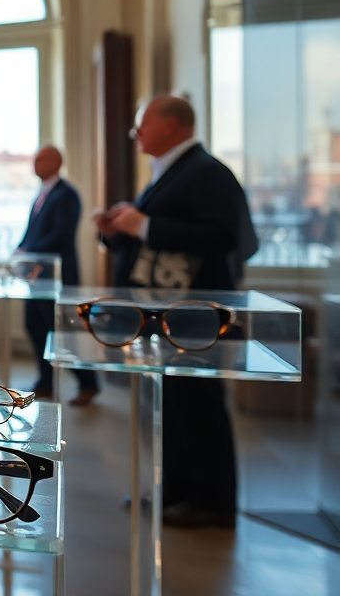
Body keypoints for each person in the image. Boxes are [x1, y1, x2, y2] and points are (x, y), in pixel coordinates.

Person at [92, 96, 256, 529]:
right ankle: (178, 489)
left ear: (170, 124)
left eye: (140, 124)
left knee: (199, 406)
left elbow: (223, 235)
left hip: (195, 315)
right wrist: (118, 230)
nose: (135, 133)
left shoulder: (206, 171)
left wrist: (141, 224)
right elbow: (151, 235)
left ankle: (212, 501)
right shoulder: (172, 172)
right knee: (174, 407)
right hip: (167, 313)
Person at [17, 146, 99, 404]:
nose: (34, 163)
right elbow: (32, 231)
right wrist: (21, 249)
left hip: (57, 277)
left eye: (39, 159)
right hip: (36, 276)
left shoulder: (67, 195)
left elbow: (61, 234)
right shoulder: (42, 193)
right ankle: (46, 381)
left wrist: (30, 251)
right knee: (34, 325)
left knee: (61, 333)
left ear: (56, 162)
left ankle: (89, 383)